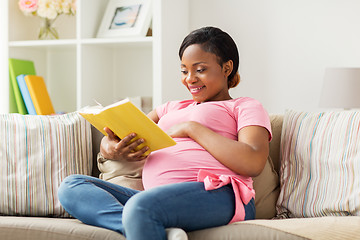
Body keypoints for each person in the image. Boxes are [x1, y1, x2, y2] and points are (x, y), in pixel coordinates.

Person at [58, 26, 272, 240]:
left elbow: (252, 161)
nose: (190, 79)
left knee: (140, 206)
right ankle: (153, 227)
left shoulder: (244, 106)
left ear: (227, 68)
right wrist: (113, 149)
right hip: (155, 200)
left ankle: (143, 219)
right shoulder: (170, 108)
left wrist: (192, 128)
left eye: (200, 70)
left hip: (220, 194)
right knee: (72, 186)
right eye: (184, 70)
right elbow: (115, 136)